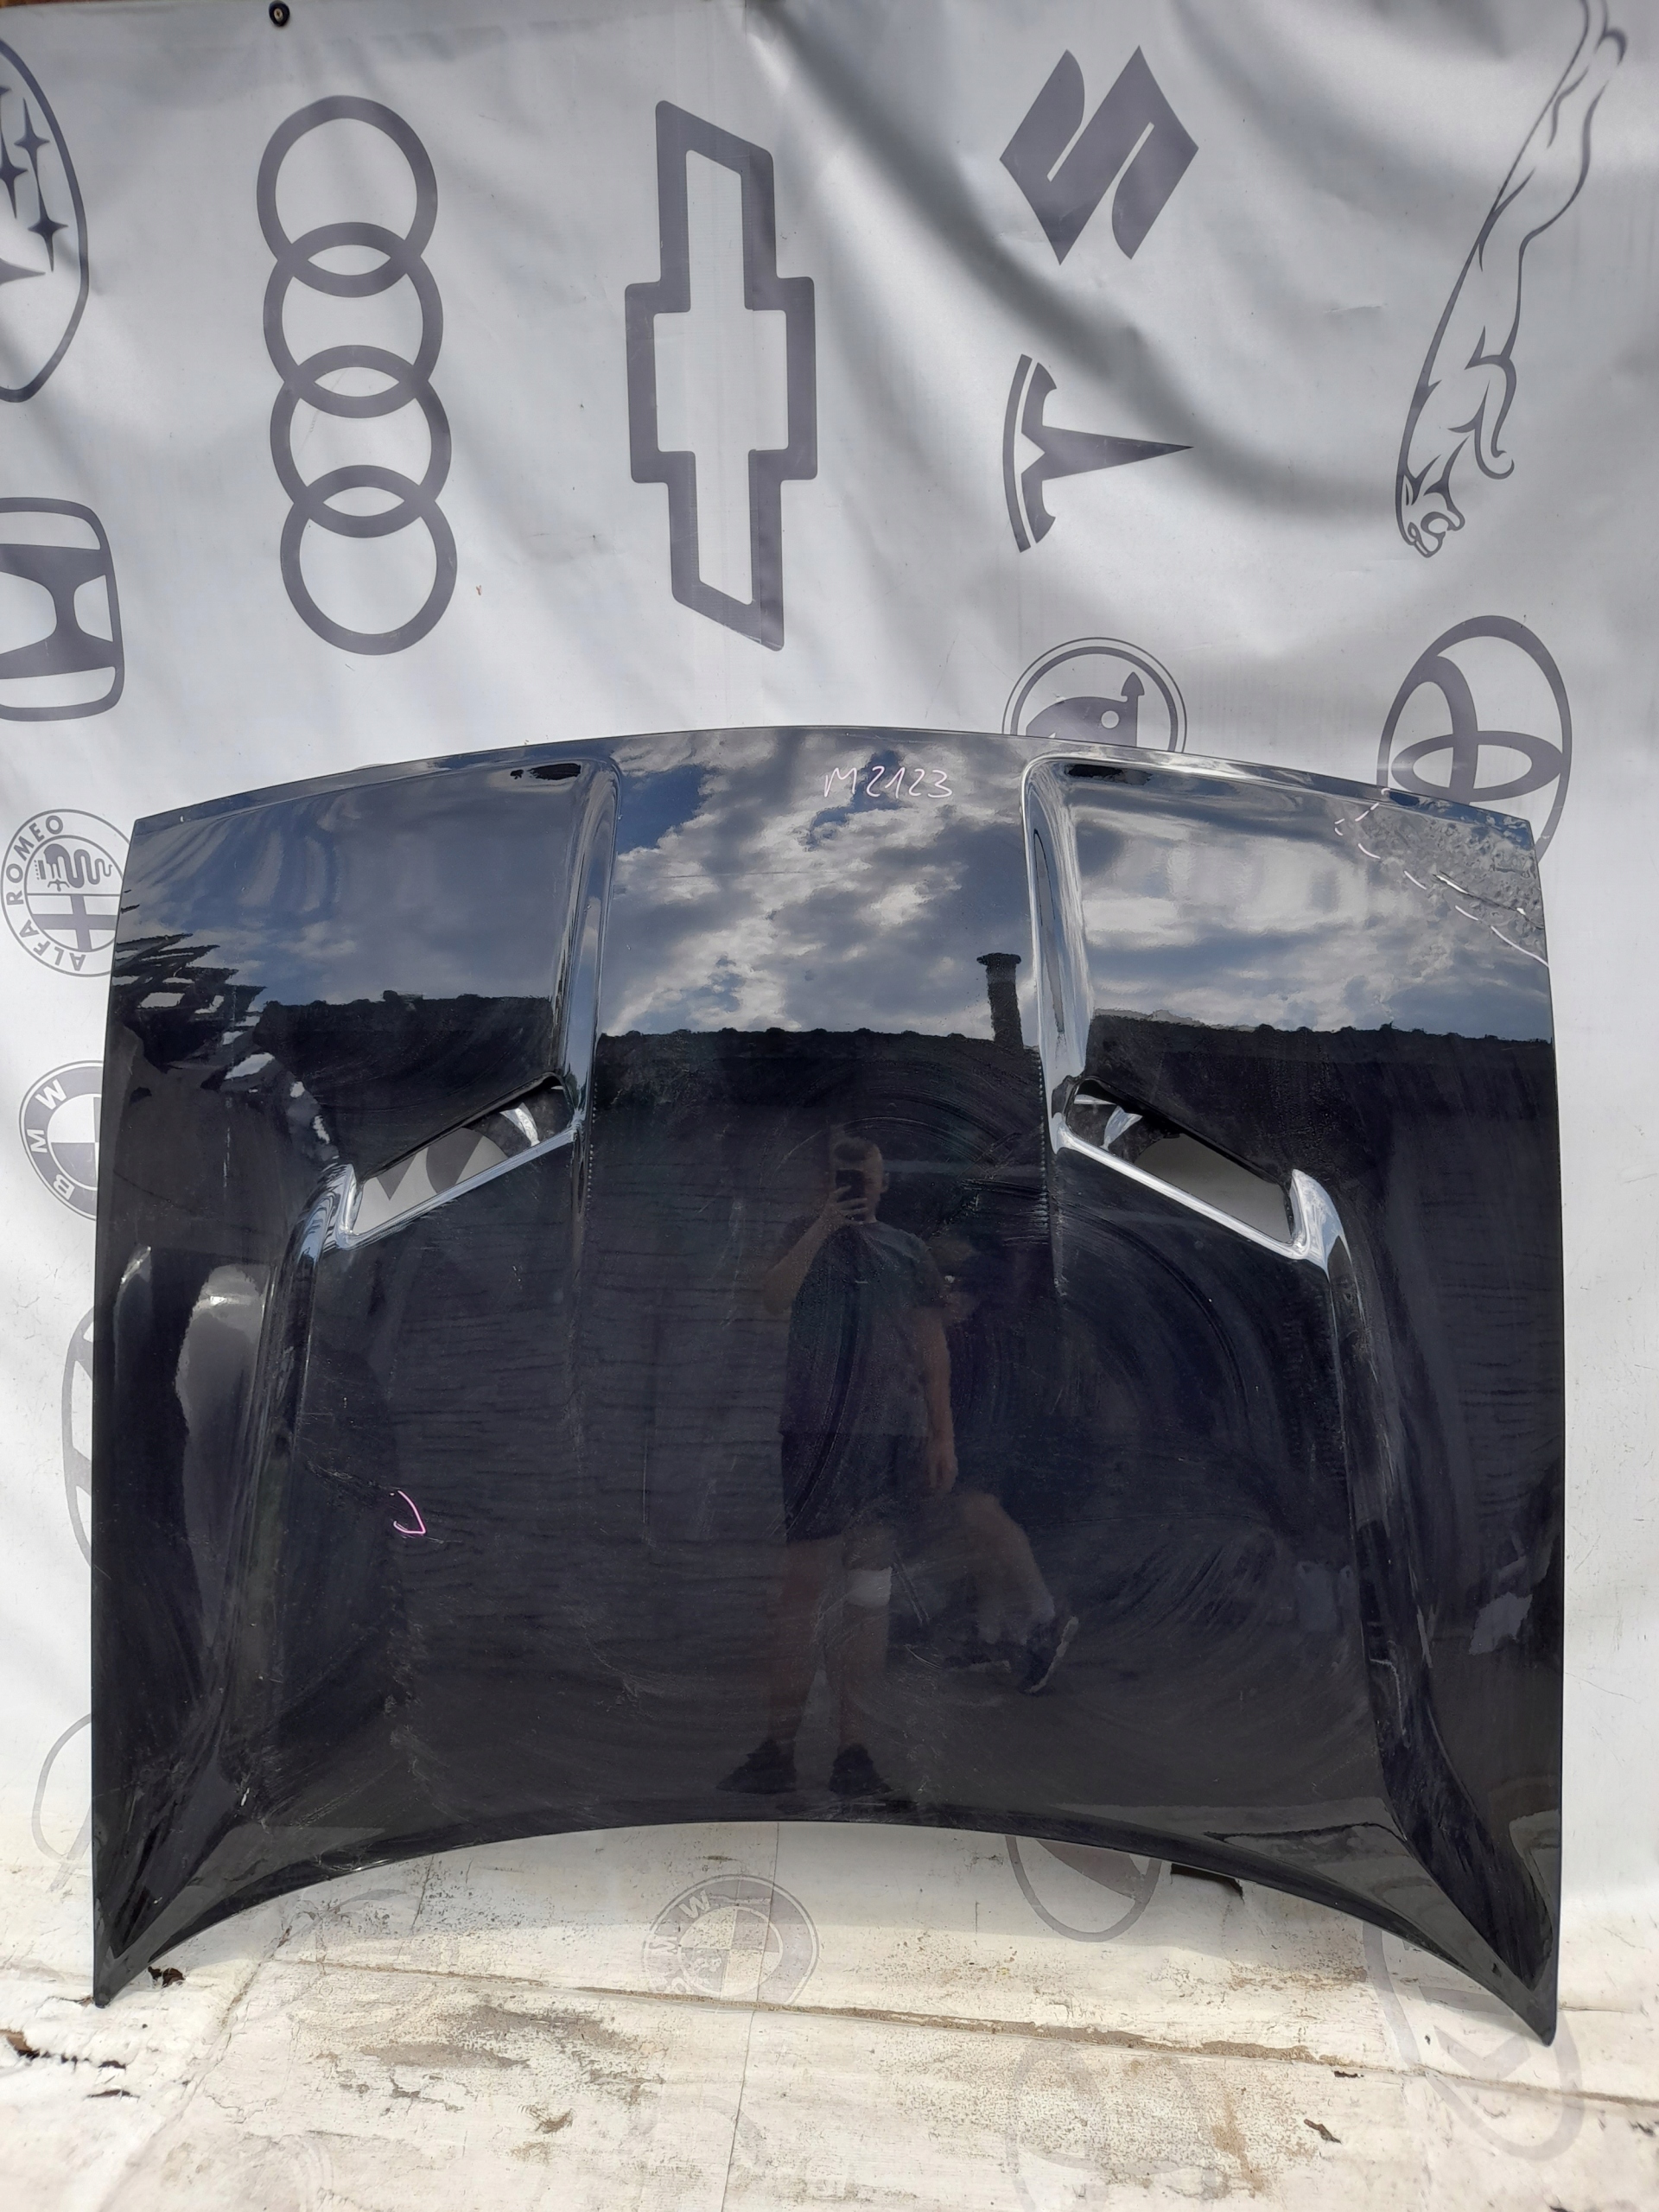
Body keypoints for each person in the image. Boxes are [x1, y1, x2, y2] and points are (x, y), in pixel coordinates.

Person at [719, 1132, 956, 1805]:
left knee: (869, 1594)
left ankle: (854, 1749)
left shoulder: (907, 1251)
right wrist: (822, 1226)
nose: (856, 1188)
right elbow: (772, 1298)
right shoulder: (804, 1234)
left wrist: (942, 1435)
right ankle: (779, 1749)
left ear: (883, 1184)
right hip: (816, 1432)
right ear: (826, 1185)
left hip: (885, 1436)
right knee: (800, 1590)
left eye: (865, 1178)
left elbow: (932, 1346)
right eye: (842, 1179)